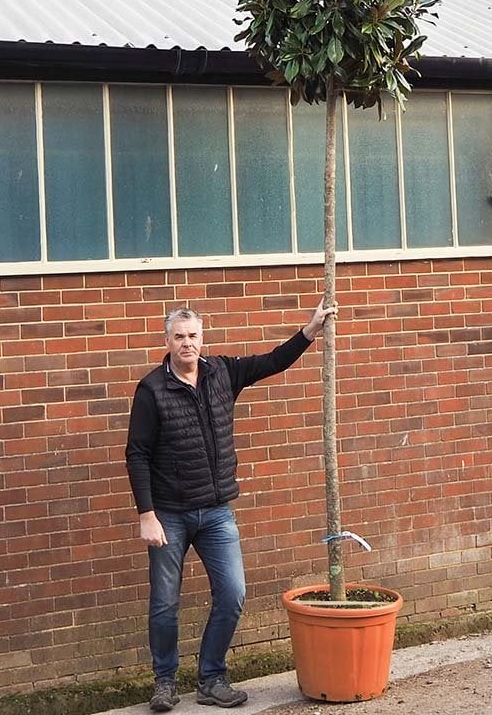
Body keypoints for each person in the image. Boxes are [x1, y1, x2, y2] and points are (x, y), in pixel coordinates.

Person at [125, 297, 336, 711]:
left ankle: (211, 677)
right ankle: (164, 682)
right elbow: (137, 454)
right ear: (167, 342)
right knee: (165, 603)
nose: (187, 343)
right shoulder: (152, 390)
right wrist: (147, 515)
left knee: (233, 593)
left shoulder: (222, 372)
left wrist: (309, 332)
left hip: (216, 511)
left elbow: (272, 361)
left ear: (202, 339)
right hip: (169, 514)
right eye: (179, 337)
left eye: (193, 336)